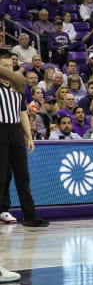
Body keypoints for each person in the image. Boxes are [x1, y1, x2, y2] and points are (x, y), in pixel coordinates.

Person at [0, 50, 48, 228]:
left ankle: (30, 215)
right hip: (0, 129)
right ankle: (3, 209)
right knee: (2, 174)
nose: (8, 69)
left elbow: (23, 113)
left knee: (23, 176)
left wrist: (29, 136)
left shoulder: (17, 86)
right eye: (3, 66)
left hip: (15, 132)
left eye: (10, 65)